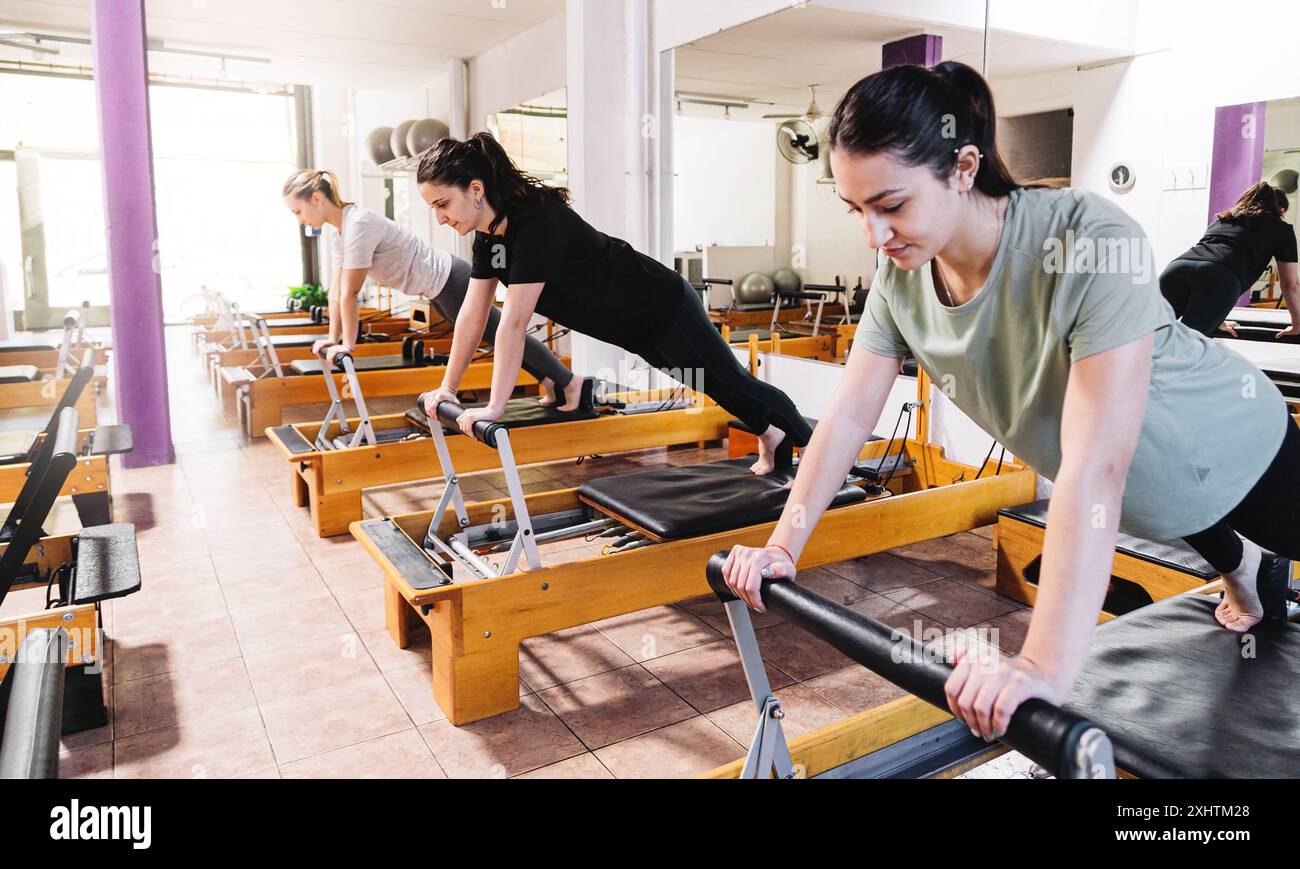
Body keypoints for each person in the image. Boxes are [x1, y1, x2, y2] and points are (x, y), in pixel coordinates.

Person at [719, 61, 1300, 743]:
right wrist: (782, 547)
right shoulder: (901, 279)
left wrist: (1041, 667)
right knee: (1176, 504)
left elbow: (1096, 466)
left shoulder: (1087, 239)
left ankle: (1253, 564)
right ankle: (1247, 572)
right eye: (857, 210)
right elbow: (849, 414)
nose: (874, 236)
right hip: (1152, 491)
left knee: (1177, 485)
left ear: (963, 167)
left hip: (1232, 445)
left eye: (891, 204)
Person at [413, 134, 813, 475]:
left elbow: (513, 323)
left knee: (734, 382)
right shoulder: (488, 239)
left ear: (476, 189)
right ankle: (771, 436)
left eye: (442, 205)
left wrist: (494, 408)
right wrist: (447, 387)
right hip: (635, 328)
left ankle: (817, 458)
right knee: (707, 382)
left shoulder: (535, 223)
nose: (441, 218)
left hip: (662, 305)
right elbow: (472, 315)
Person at [280, 168, 578, 407]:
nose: (299, 219)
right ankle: (552, 382)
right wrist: (333, 340)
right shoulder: (339, 233)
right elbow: (335, 292)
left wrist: (348, 345)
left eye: (297, 211)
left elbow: (350, 292)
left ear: (317, 199)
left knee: (504, 335)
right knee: (498, 336)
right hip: (438, 290)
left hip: (451, 279)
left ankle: (571, 383)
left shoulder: (359, 223)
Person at [1160, 181, 1300, 337]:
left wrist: (1217, 319)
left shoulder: (1221, 220)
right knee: (1187, 344)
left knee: (1147, 337)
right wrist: (1298, 324)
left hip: (1176, 269)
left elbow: (1209, 261)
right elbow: (1291, 285)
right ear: (1280, 210)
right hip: (1221, 277)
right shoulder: (1281, 229)